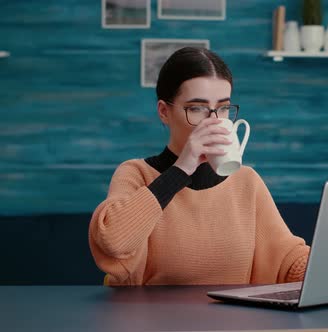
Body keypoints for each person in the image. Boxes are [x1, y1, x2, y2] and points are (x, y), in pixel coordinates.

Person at [89, 47, 310, 286]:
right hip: (154, 322)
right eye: (197, 108)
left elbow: (288, 258)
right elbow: (113, 242)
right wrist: (182, 168)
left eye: (223, 108)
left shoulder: (246, 181)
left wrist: (327, 267)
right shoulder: (136, 174)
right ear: (164, 112)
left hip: (234, 322)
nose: (214, 121)